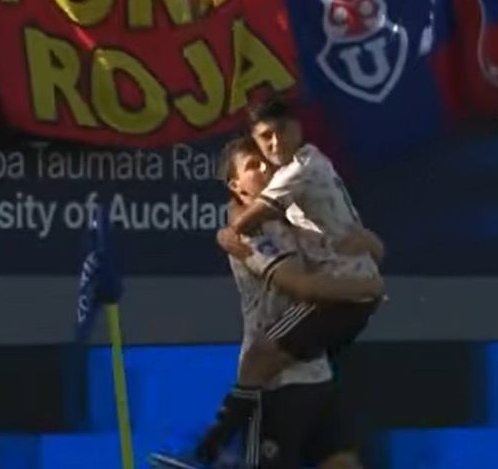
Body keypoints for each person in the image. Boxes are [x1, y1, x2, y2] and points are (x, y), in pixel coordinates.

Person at [151, 135, 383, 468]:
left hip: (318, 374)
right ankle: (211, 448)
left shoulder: (297, 216)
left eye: (266, 162)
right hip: (277, 384)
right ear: (236, 185)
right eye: (252, 166)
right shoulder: (250, 231)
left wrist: (365, 245)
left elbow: (363, 248)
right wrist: (365, 286)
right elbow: (301, 286)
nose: (265, 168)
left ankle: (213, 447)